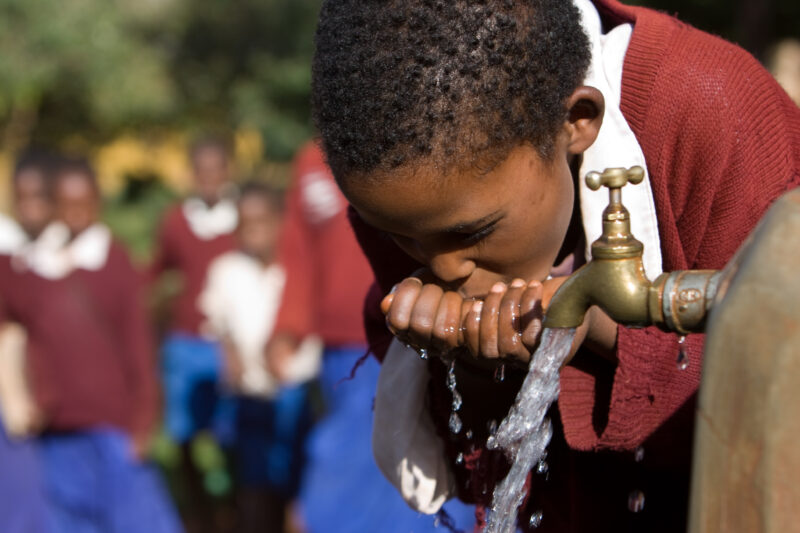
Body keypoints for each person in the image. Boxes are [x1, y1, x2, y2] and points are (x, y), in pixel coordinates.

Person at [310, 0, 800, 531]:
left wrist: (606, 332)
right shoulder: (414, 197)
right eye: (396, 237)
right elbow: (484, 477)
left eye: (472, 233)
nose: (444, 270)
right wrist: (470, 365)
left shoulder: (707, 112)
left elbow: (779, 405)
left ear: (577, 121)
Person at [266, 141, 475, 532]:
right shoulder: (312, 162)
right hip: (345, 355)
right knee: (348, 458)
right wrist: (287, 327)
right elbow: (297, 251)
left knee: (432, 455)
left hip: (424, 333)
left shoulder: (420, 138)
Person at [0, 158, 181, 533]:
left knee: (137, 519)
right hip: (59, 430)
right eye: (66, 204)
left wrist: (143, 419)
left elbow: (139, 348)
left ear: (99, 202)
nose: (76, 213)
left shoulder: (116, 264)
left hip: (114, 427)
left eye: (84, 203)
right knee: (70, 520)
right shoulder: (34, 268)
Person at [198, 181, 319, 533]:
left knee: (299, 482)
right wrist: (231, 360)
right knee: (255, 483)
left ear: (281, 221)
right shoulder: (225, 270)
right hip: (250, 394)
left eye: (263, 221)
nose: (254, 231)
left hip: (297, 390)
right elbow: (220, 327)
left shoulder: (297, 270)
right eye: (245, 223)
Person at [149, 136, 237, 531]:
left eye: (216, 170)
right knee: (183, 432)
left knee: (231, 432)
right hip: (185, 342)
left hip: (230, 343)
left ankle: (234, 508)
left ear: (228, 171)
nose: (209, 180)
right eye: (200, 172)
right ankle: (197, 511)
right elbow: (158, 271)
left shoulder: (244, 218)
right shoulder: (176, 222)